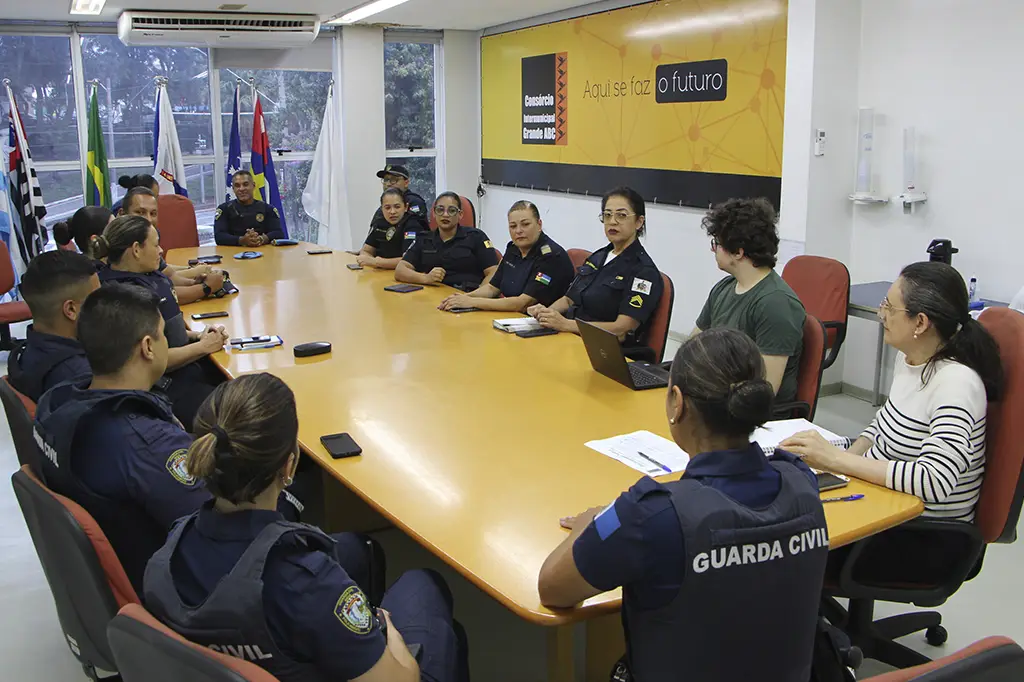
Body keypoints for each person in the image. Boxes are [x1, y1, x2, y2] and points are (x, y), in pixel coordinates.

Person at [537, 328, 828, 682]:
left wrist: (589, 525)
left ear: (677, 402)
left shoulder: (651, 513)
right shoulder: (802, 481)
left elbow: (552, 589)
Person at [144, 373, 469, 682]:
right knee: (424, 584)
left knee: (358, 549)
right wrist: (384, 627)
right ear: (289, 466)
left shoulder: (170, 548)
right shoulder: (307, 582)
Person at [782, 262, 1003, 583]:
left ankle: (816, 632)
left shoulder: (956, 384)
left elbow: (933, 482)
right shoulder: (911, 359)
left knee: (789, 545)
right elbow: (880, 428)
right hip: (884, 505)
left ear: (921, 322)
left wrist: (837, 459)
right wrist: (834, 464)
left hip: (924, 539)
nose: (880, 314)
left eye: (889, 306)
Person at [33, 284, 211, 593]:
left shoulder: (58, 401)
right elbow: (215, 523)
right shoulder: (148, 443)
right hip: (169, 586)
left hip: (114, 570)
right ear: (148, 347)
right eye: (162, 334)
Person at [95, 215, 227, 430]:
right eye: (156, 245)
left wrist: (197, 335)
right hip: (167, 384)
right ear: (136, 249)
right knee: (238, 413)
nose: (160, 251)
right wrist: (203, 347)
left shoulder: (150, 276)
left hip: (186, 365)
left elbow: (165, 332)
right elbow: (151, 357)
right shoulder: (124, 297)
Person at [692, 198, 805, 401]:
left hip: (746, 410)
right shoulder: (724, 288)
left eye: (716, 243)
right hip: (716, 393)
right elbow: (693, 345)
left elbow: (763, 390)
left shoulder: (776, 303)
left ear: (738, 252)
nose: (713, 250)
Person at [527, 187, 664, 346]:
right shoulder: (598, 257)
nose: (612, 221)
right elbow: (568, 300)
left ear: (639, 222)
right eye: (607, 215)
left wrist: (566, 325)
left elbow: (622, 329)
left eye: (621, 215)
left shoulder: (643, 272)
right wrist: (546, 314)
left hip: (603, 350)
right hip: (571, 338)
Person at [438, 200, 574, 313]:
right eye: (513, 226)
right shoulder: (513, 248)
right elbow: (492, 288)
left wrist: (471, 301)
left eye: (525, 224)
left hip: (543, 325)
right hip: (512, 319)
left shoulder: (551, 256)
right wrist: (461, 298)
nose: (518, 231)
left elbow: (522, 303)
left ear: (539, 225)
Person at [8, 251, 98, 401]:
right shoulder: (80, 378)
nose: (104, 306)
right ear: (71, 310)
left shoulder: (26, 353)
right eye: (97, 299)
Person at [120, 186, 227, 303]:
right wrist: (205, 288)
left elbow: (168, 277)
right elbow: (161, 296)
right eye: (140, 212)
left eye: (153, 213)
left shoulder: (149, 237)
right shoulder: (120, 248)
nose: (148, 220)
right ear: (122, 214)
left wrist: (195, 282)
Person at [396, 192, 500, 291]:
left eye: (452, 210)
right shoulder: (424, 239)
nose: (445, 215)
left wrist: (476, 296)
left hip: (467, 295)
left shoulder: (476, 237)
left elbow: (493, 273)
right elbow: (400, 270)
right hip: (432, 297)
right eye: (440, 210)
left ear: (460, 215)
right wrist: (425, 278)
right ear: (434, 213)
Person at [357, 188, 427, 270]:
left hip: (402, 275)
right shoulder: (379, 222)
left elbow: (408, 260)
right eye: (387, 208)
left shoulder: (412, 225)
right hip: (379, 272)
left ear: (406, 207)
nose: (392, 212)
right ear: (382, 209)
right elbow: (366, 250)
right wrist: (367, 260)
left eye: (397, 207)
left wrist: (375, 262)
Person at [215, 170, 285, 246]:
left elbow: (279, 233)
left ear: (253, 185)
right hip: (233, 254)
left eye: (245, 184)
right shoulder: (224, 209)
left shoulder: (268, 209)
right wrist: (241, 240)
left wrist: (262, 239)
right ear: (233, 189)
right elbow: (219, 237)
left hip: (263, 253)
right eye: (237, 186)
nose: (241, 189)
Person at [374, 163, 429, 233]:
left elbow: (409, 230)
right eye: (386, 180)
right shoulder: (385, 203)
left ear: (406, 183)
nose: (388, 184)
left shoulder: (414, 202)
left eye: (393, 179)